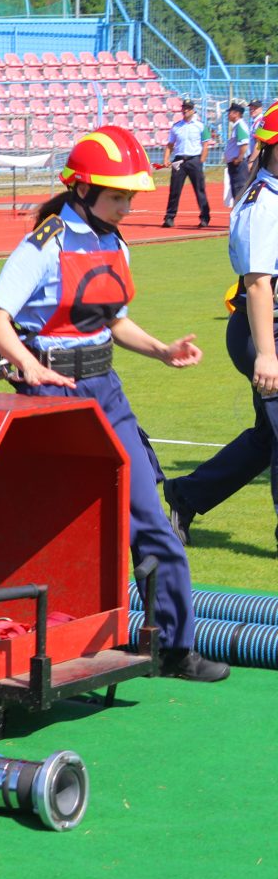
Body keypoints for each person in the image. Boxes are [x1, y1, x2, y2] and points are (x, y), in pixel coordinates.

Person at [0, 125, 228, 682]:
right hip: (50, 397)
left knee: (151, 519)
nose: (127, 205)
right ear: (83, 190)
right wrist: (31, 366)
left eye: (130, 196)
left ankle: (172, 647)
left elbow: (113, 322)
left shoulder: (114, 240)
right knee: (52, 524)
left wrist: (162, 350)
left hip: (106, 390)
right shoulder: (44, 242)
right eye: (117, 196)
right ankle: (34, 639)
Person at [165, 102, 278, 551]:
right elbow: (257, 284)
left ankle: (186, 495)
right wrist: (268, 355)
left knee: (265, 437)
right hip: (263, 329)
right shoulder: (263, 205)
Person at [162, 98, 214, 228]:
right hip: (179, 159)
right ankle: (169, 217)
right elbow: (170, 144)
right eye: (184, 108)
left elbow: (206, 144)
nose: (185, 110)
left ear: (193, 110)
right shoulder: (176, 126)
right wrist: (166, 159)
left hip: (194, 159)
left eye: (188, 108)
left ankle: (205, 217)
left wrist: (201, 160)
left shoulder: (201, 126)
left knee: (199, 189)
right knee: (174, 190)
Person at [225, 101, 253, 208]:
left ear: (236, 114)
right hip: (236, 164)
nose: (228, 115)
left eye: (230, 112)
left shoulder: (239, 125)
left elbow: (244, 144)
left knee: (239, 190)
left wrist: (239, 158)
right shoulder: (238, 125)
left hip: (238, 165)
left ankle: (240, 216)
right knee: (236, 190)